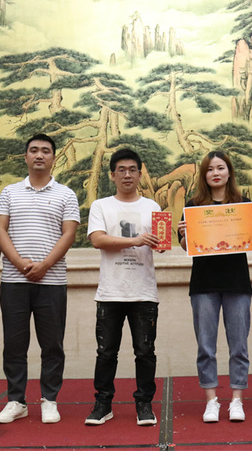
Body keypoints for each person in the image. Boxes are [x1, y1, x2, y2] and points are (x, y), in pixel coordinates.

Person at [0, 134, 80, 425]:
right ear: (26, 156)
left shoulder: (66, 194)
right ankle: (16, 401)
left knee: (52, 345)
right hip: (14, 281)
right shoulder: (10, 192)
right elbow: (0, 230)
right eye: (33, 150)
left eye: (45, 151)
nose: (39, 155)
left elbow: (69, 233)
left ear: (54, 158)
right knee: (14, 345)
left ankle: (49, 400)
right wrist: (19, 264)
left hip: (51, 282)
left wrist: (45, 265)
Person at [177, 151, 252, 423]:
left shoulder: (243, 205)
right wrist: (185, 235)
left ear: (229, 172)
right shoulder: (193, 206)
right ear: (204, 175)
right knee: (206, 346)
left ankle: (237, 400)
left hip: (237, 282)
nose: (215, 173)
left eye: (220, 168)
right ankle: (211, 400)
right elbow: (186, 247)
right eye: (210, 169)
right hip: (204, 284)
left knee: (239, 345)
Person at [84, 148, 164, 427]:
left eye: (132, 170)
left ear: (140, 174)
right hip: (111, 291)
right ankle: (103, 403)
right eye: (121, 170)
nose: (127, 174)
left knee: (145, 352)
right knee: (106, 352)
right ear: (112, 175)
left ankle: (144, 403)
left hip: (144, 291)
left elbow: (162, 246)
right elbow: (97, 240)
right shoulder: (101, 206)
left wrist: (168, 239)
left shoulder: (152, 207)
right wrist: (135, 240)